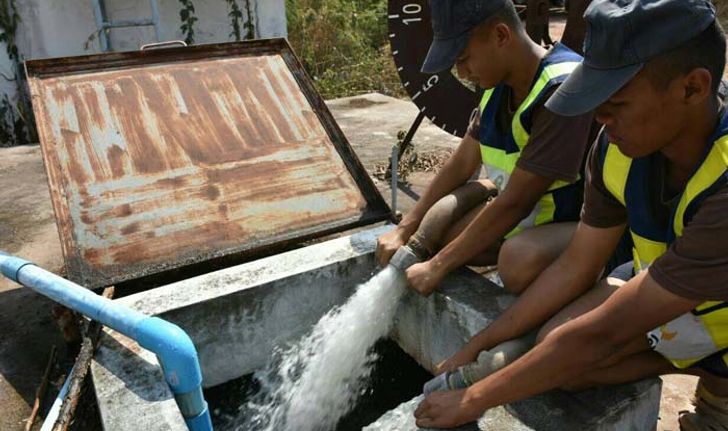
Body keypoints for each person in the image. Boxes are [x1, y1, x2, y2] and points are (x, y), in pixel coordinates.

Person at [413, 0, 728, 429]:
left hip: (712, 318)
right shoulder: (617, 149)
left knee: (577, 348)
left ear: (692, 88)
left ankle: (719, 386)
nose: (599, 118)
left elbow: (602, 333)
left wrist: (474, 398)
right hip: (685, 304)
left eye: (615, 101)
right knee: (559, 356)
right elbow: (576, 265)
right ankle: (699, 365)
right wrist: (480, 344)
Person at [376, 0, 597, 297]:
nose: (462, 73)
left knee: (516, 263)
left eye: (464, 59)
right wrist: (406, 227)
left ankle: (590, 275)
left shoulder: (561, 87)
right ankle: (486, 190)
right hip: (531, 216)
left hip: (582, 224)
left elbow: (518, 201)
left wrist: (438, 266)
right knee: (442, 235)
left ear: (501, 35)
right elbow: (462, 163)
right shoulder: (497, 87)